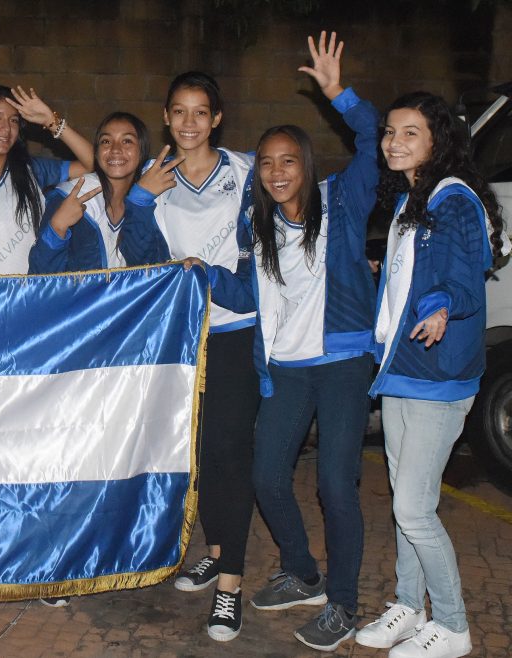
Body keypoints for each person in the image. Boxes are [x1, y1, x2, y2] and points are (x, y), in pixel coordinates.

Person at [192, 32, 379, 651]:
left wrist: (339, 94)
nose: (276, 171)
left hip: (342, 363)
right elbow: (248, 295)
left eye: (288, 160)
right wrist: (201, 272)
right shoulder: (261, 228)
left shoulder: (341, 203)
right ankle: (303, 573)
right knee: (267, 476)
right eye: (267, 163)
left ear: (306, 164)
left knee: (334, 486)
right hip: (287, 370)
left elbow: (372, 141)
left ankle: (343, 603)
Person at [356, 91, 508, 658]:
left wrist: (440, 304)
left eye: (410, 133)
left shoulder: (454, 199)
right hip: (405, 368)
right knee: (407, 498)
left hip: (438, 375)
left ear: (438, 140)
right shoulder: (412, 198)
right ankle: (408, 605)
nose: (393, 142)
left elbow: (463, 280)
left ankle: (452, 625)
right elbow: (416, 273)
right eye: (389, 131)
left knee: (414, 510)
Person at [118, 70, 257, 641]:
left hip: (234, 328)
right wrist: (141, 200)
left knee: (230, 451)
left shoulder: (245, 171)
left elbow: (263, 247)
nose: (190, 122)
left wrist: (219, 278)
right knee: (198, 452)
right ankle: (217, 551)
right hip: (182, 336)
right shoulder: (156, 179)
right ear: (166, 116)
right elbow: (141, 258)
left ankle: (231, 586)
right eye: (179, 111)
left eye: (201, 112)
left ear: (216, 118)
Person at [0, 84, 93, 274]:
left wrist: (51, 121)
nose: (6, 128)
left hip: (32, 288)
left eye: (13, 120)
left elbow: (92, 163)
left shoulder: (33, 170)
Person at [28, 112, 149, 273]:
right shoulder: (69, 197)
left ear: (142, 150)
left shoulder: (145, 203)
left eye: (127, 141)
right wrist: (57, 228)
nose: (115, 149)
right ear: (97, 153)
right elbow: (40, 275)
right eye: (106, 141)